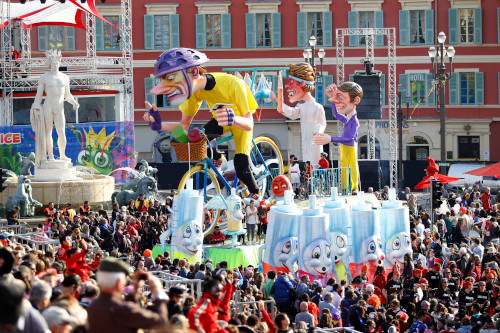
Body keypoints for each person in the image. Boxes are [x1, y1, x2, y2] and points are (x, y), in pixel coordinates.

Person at [144, 48, 261, 201]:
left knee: (241, 164)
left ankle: (256, 193)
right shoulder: (196, 91)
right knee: (197, 139)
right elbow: (183, 126)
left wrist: (234, 119)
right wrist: (158, 125)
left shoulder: (234, 84)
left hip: (240, 123)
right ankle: (220, 158)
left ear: (194, 72)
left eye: (171, 78)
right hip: (221, 120)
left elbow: (249, 123)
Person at [87, 258, 169, 333]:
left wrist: (136, 290)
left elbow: (119, 306)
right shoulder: (124, 310)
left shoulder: (93, 305)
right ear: (119, 282)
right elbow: (160, 322)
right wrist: (157, 291)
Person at [270, 62, 326, 165]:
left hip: (315, 142)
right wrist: (276, 99)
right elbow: (291, 113)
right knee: (307, 162)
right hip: (306, 143)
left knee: (315, 160)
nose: (287, 86)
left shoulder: (317, 107)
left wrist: (318, 131)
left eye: (291, 82)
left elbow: (322, 123)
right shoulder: (302, 107)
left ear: (303, 83)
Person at [314, 82, 362, 190]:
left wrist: (331, 139)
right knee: (343, 166)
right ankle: (345, 187)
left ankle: (354, 187)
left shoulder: (355, 122)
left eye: (342, 97)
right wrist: (331, 98)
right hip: (344, 146)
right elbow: (335, 114)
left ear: (355, 100)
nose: (338, 101)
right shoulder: (347, 120)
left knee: (353, 165)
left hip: (351, 146)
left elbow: (350, 138)